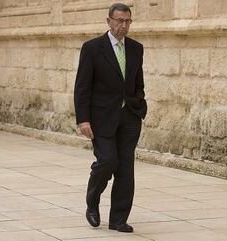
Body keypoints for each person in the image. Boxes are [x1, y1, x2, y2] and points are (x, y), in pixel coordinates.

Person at [73, 2, 147, 233]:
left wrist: (139, 105)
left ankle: (118, 219)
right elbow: (82, 87)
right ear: (109, 21)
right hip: (101, 118)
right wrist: (83, 119)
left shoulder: (136, 48)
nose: (123, 26)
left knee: (125, 168)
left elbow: (138, 83)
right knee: (107, 161)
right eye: (119, 21)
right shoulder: (93, 48)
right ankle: (92, 201)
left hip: (129, 118)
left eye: (127, 21)